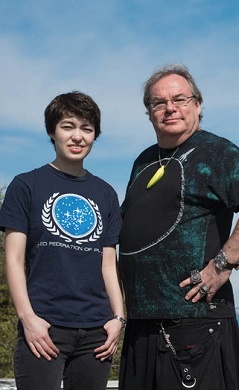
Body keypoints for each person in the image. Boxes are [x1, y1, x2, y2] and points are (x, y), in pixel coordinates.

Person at [118, 64, 239, 390]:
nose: (169, 108)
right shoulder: (143, 161)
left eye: (179, 99)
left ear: (198, 105)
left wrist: (222, 264)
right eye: (158, 103)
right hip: (141, 328)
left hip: (194, 326)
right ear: (149, 113)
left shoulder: (216, 151)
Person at [0, 92, 125, 390]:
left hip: (97, 332)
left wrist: (118, 319)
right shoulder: (26, 185)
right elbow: (14, 259)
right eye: (68, 126)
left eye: (86, 128)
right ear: (52, 131)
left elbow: (108, 264)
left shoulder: (106, 193)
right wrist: (28, 318)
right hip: (44, 328)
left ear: (95, 135)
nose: (77, 136)